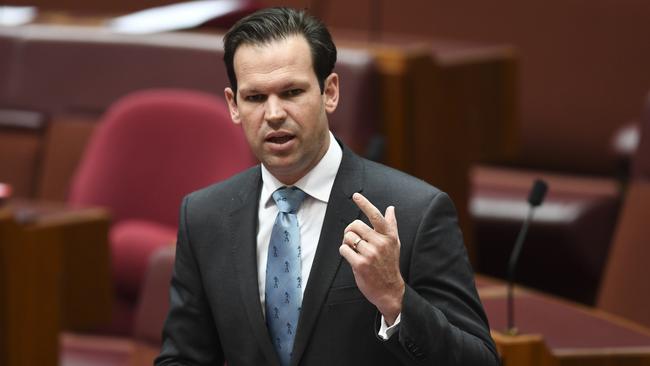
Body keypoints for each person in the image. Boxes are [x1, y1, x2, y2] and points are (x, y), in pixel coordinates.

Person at [156, 7, 498, 366]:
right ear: (234, 105)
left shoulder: (415, 211)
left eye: (291, 92)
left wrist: (395, 299)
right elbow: (183, 357)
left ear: (329, 92)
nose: (273, 114)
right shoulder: (204, 216)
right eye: (255, 97)